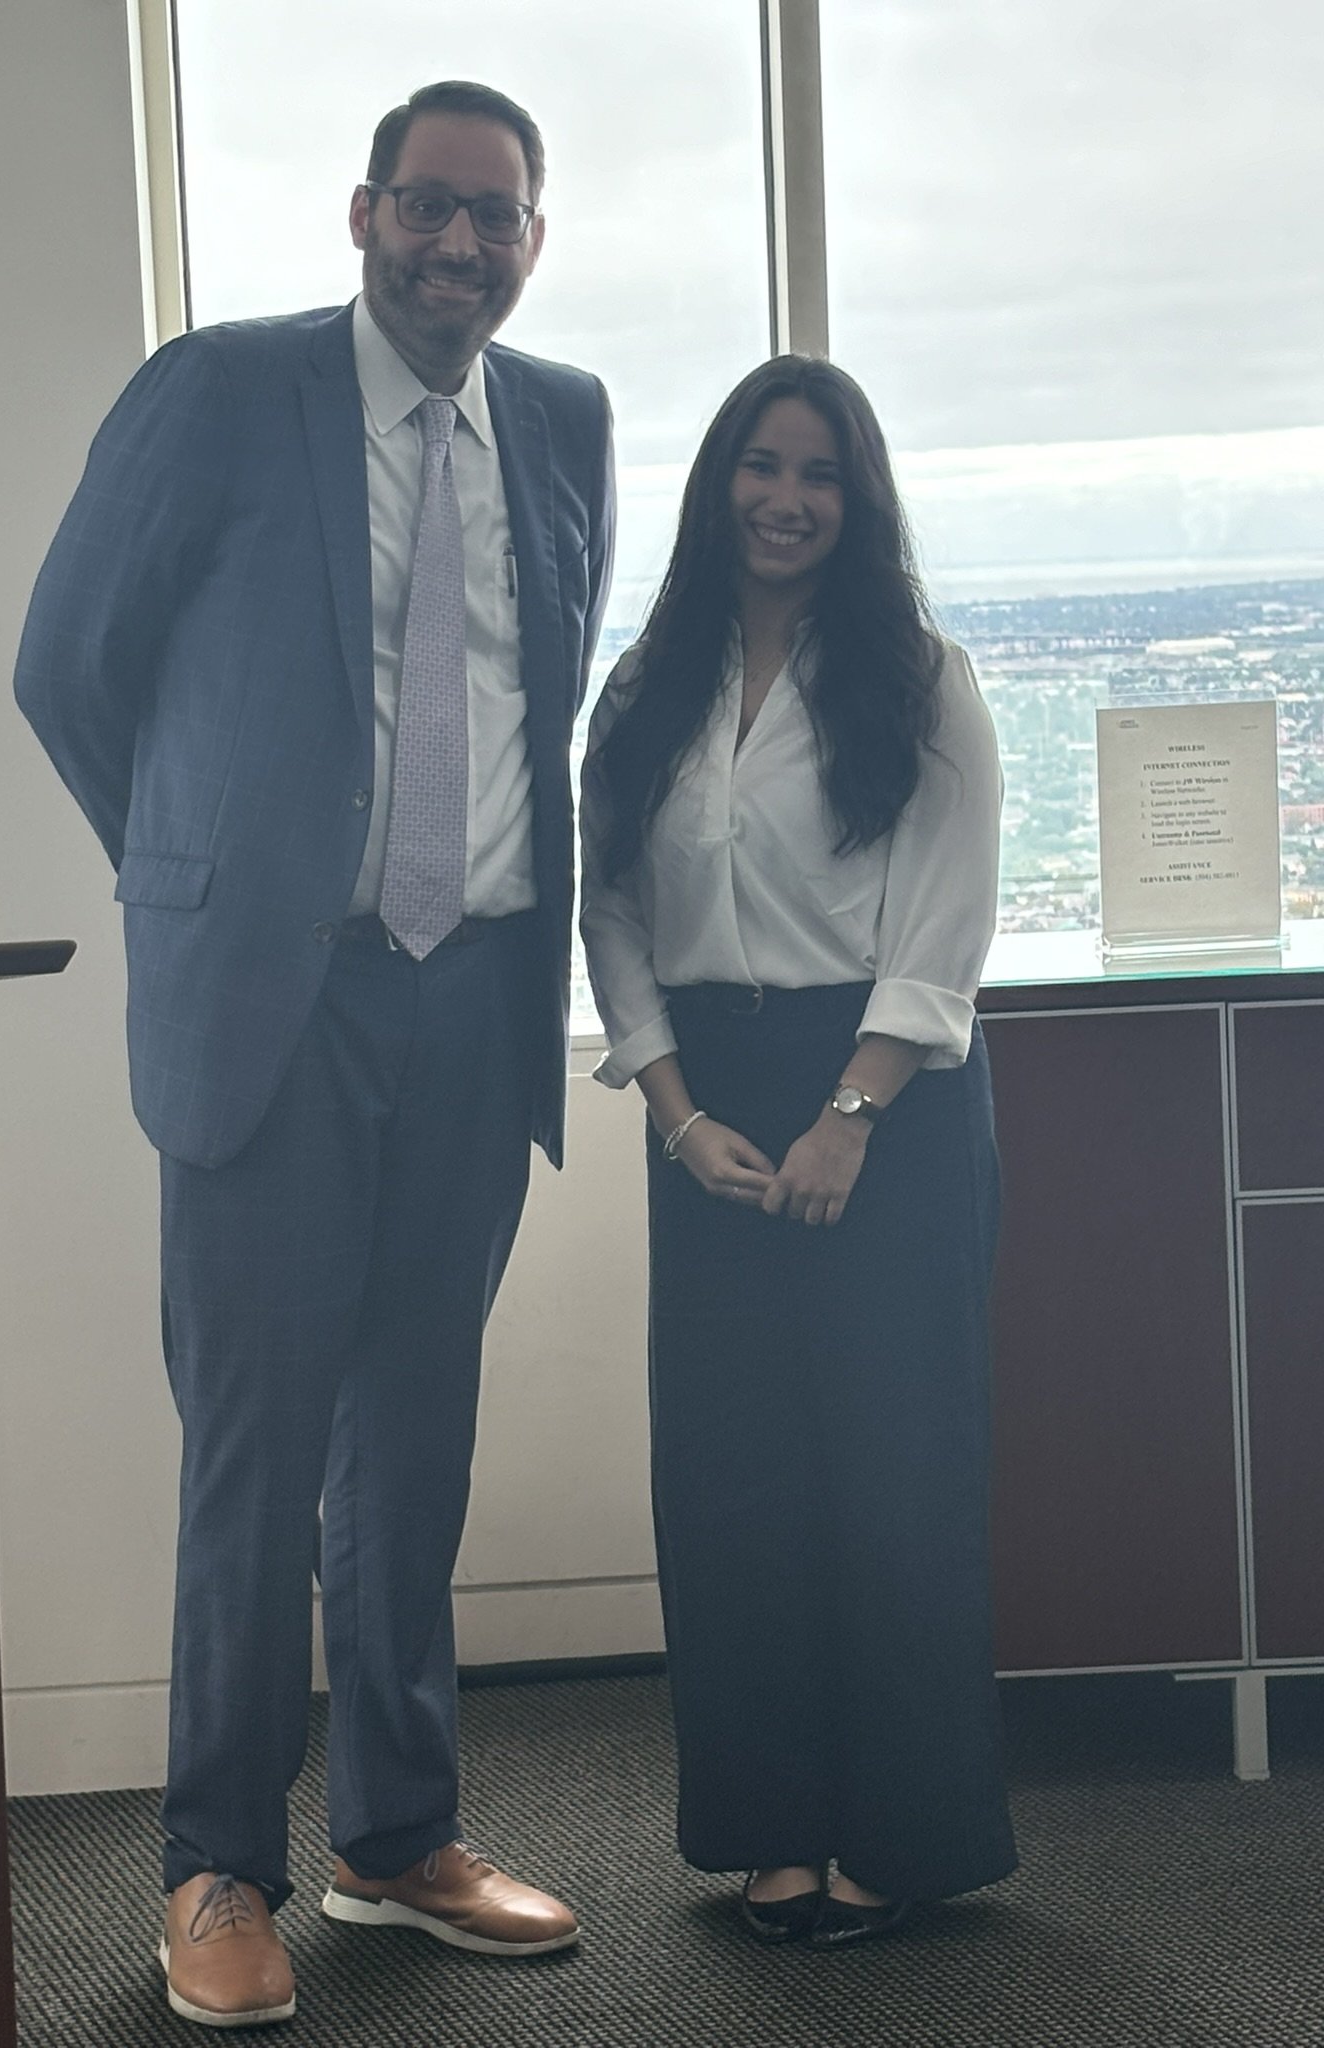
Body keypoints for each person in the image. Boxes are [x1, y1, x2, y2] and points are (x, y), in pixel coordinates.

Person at [16, 79, 614, 2029]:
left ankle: (396, 1834)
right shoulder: (221, 391)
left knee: (415, 1443)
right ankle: (217, 1865)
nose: (459, 245)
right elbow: (68, 663)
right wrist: (198, 875)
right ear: (365, 215)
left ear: (533, 242)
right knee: (255, 1459)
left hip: (476, 998)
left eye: (495, 217)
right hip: (278, 1007)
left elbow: (536, 693)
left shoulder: (567, 421)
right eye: (428, 206)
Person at [579, 355, 1016, 1946]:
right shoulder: (646, 687)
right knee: (733, 1479)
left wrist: (851, 1114)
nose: (786, 499)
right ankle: (769, 1826)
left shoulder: (922, 678)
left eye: (819, 473)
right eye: (760, 467)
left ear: (859, 498)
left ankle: (905, 1834)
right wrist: (677, 1115)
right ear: (718, 489)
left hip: (887, 1098)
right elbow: (611, 912)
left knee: (895, 1474)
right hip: (708, 1105)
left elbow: (947, 917)